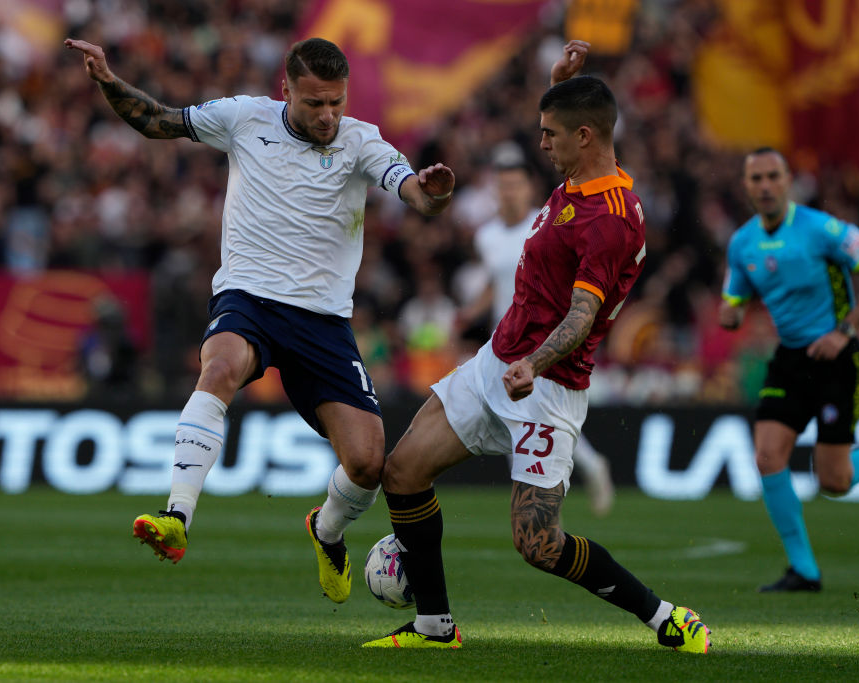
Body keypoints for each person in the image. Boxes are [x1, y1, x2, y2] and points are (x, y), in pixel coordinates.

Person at [65, 37, 455, 604]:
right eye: (315, 103)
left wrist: (435, 194)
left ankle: (326, 531)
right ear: (286, 91)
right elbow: (159, 121)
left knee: (369, 464)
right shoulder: (244, 118)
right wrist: (107, 79)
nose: (327, 116)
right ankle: (177, 516)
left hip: (323, 320)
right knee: (219, 367)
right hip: (249, 297)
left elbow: (415, 193)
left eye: (336, 103)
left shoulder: (361, 141)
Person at [362, 41, 710, 652]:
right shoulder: (578, 171)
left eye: (550, 134)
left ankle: (664, 618)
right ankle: (434, 627)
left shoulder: (612, 221)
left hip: (545, 387)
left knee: (539, 545)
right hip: (497, 360)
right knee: (403, 471)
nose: (539, 143)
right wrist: (556, 82)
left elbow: (582, 316)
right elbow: (576, 115)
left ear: (584, 136)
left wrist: (534, 363)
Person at [719, 147, 859, 592]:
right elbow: (733, 296)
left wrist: (845, 331)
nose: (766, 186)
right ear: (746, 186)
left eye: (774, 177)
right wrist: (730, 313)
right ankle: (804, 570)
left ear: (789, 180)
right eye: (757, 179)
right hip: (790, 359)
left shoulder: (823, 230)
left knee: (834, 480)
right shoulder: (742, 243)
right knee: (767, 456)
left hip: (837, 358)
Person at [460, 150, 616, 516]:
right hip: (504, 341)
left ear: (528, 187)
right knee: (520, 421)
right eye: (502, 185)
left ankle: (558, 491)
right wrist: (467, 313)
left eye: (515, 184)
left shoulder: (544, 226)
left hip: (539, 341)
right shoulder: (487, 236)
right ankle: (574, 477)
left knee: (534, 419)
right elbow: (495, 283)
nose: (508, 192)